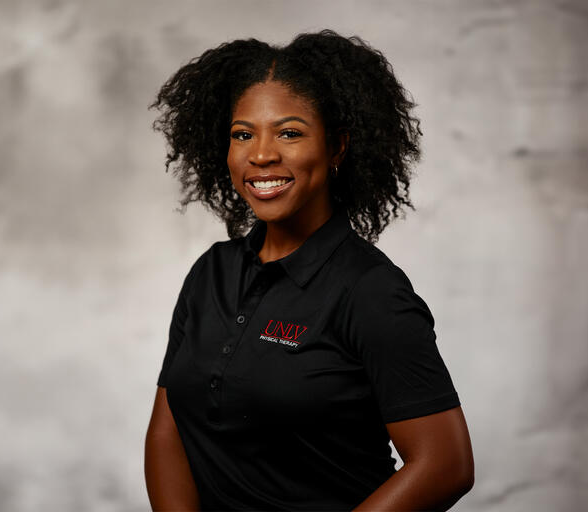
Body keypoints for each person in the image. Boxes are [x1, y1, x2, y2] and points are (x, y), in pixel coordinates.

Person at [144, 29, 474, 511]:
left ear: (337, 147)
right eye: (242, 134)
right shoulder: (210, 274)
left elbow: (445, 464)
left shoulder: (369, 291)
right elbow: (166, 432)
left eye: (289, 132)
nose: (261, 154)